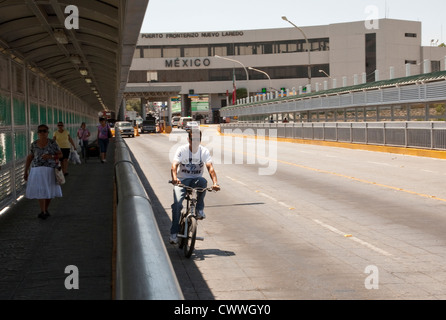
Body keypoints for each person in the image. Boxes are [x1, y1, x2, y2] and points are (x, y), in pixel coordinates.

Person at [169, 129, 220, 244]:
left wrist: (215, 183)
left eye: (198, 140)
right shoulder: (182, 150)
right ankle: (174, 233)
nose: (195, 142)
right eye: (193, 139)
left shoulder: (204, 151)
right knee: (177, 205)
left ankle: (199, 209)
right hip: (181, 181)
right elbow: (174, 166)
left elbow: (210, 168)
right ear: (188, 139)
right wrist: (174, 178)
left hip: (196, 180)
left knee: (203, 181)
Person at [24, 124, 63, 219]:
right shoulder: (33, 144)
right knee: (41, 189)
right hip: (37, 170)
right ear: (38, 133)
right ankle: (43, 211)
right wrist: (25, 171)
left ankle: (45, 209)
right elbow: (30, 157)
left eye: (44, 131)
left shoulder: (52, 143)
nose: (42, 133)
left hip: (50, 169)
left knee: (49, 190)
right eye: (40, 131)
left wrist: (51, 156)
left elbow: (61, 154)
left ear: (47, 133)